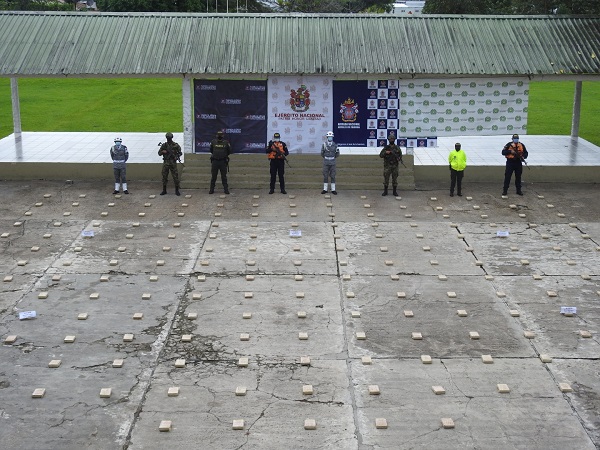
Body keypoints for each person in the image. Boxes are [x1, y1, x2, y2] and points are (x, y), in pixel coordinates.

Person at [379, 132, 402, 197]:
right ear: (389, 140)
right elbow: (381, 155)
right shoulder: (386, 148)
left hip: (395, 166)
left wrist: (398, 158)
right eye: (390, 139)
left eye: (393, 139)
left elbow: (400, 156)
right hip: (387, 166)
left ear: (394, 140)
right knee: (386, 179)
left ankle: (394, 191)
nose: (391, 140)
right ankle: (385, 191)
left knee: (394, 179)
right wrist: (386, 152)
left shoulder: (397, 148)